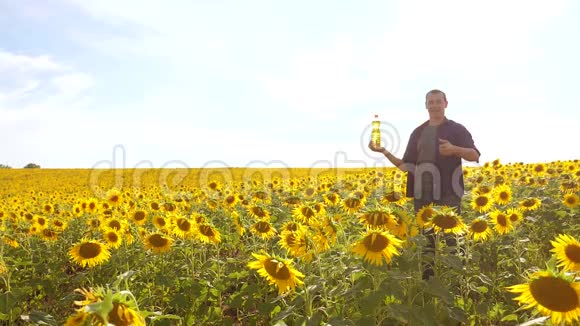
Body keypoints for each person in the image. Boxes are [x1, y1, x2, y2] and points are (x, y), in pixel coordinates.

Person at [369, 89, 480, 280]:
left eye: (438, 101)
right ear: (426, 105)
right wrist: (383, 151)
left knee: (452, 239)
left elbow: (475, 155)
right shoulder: (418, 132)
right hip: (422, 193)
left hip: (449, 191)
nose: (434, 105)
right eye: (431, 102)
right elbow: (405, 166)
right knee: (426, 242)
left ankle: (457, 283)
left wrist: (454, 149)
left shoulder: (456, 129)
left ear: (446, 104)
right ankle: (428, 283)